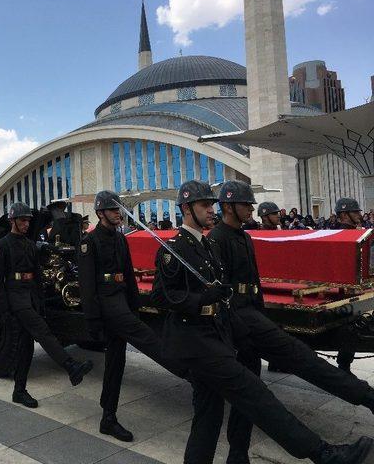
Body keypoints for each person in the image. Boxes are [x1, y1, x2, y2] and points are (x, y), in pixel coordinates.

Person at [151, 180, 374, 464]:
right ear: (186, 208)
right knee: (255, 395)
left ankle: (238, 456)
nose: (211, 209)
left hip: (220, 332)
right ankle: (323, 454)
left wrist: (230, 318)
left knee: (207, 419)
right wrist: (205, 299)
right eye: (205, 205)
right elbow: (162, 297)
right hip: (197, 341)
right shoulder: (176, 248)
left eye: (212, 204)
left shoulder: (207, 244)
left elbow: (234, 290)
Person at [78, 190, 183, 442]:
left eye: (120, 210)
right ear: (101, 213)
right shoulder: (88, 242)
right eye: (114, 210)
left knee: (116, 362)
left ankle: (108, 417)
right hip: (106, 304)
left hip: (121, 300)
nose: (119, 213)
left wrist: (134, 305)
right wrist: (92, 319)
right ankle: (189, 372)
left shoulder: (120, 239)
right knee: (147, 339)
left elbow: (128, 275)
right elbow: (87, 285)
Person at [0, 202, 93, 409]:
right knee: (43, 332)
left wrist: (40, 303)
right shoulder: (2, 245)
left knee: (26, 347)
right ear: (12, 221)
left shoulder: (30, 245)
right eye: (22, 220)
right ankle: (71, 366)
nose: (26, 224)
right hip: (15, 298)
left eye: (28, 220)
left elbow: (37, 277)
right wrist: (4, 311)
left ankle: (19, 391)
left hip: (29, 297)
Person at [334, 197, 364, 374]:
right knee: (349, 326)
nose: (359, 215)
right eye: (355, 212)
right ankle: (344, 366)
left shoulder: (358, 233)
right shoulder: (338, 235)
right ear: (344, 215)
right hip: (344, 291)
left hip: (358, 287)